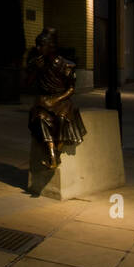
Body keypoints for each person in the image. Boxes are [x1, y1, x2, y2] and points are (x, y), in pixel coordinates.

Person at [26, 27, 87, 168]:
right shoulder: (37, 63)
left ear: (51, 46)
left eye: (41, 45)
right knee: (41, 118)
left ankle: (56, 152)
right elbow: (26, 84)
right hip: (44, 100)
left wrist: (56, 100)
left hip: (61, 100)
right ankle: (52, 154)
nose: (38, 48)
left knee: (61, 119)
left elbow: (71, 89)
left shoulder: (66, 65)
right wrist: (36, 69)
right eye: (37, 45)